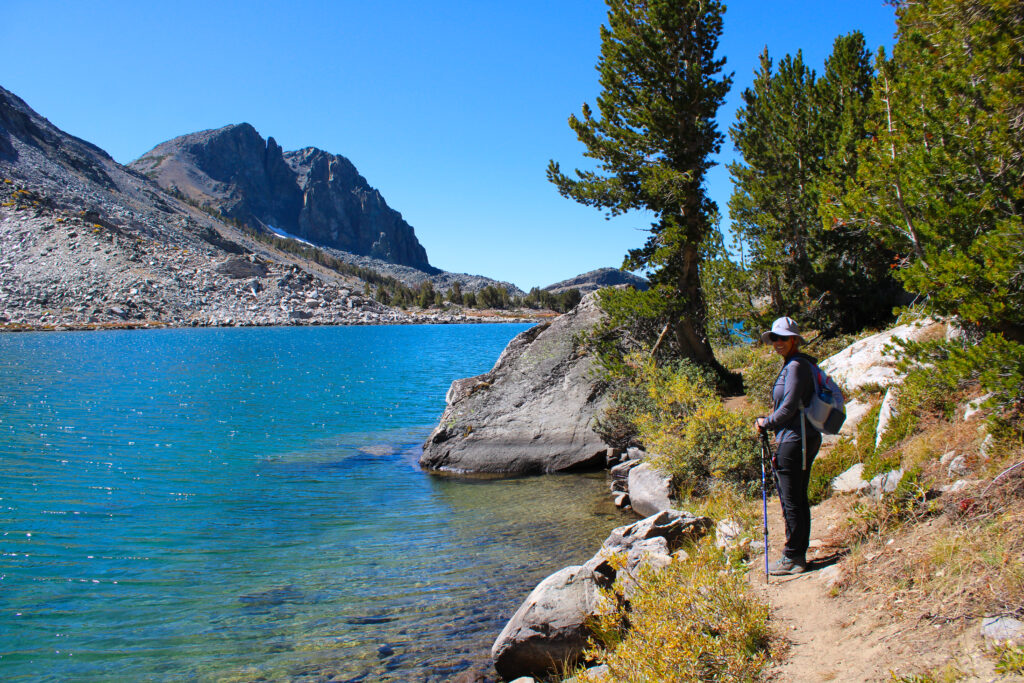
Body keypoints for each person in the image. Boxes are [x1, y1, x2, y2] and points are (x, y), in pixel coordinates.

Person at [754, 316, 821, 575]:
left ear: (794, 340)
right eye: (774, 338)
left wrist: (765, 422)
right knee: (797, 498)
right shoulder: (794, 365)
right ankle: (797, 553)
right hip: (799, 438)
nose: (777, 343)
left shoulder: (795, 367)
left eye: (783, 338)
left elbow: (789, 407)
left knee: (792, 499)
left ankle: (794, 557)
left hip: (795, 440)